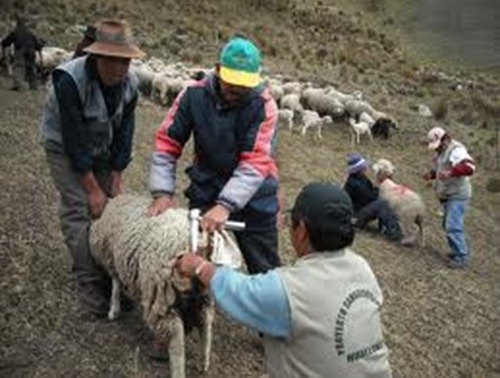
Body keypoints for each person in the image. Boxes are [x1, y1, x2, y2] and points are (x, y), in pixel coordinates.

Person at [176, 182, 392, 377]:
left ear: (301, 231)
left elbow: (238, 290)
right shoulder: (362, 268)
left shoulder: (288, 289)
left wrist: (198, 266)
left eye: (291, 222)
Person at [148, 36, 281, 274]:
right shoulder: (192, 96)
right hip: (208, 186)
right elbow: (167, 143)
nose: (238, 89)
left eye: (244, 84)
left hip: (256, 196)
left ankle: (267, 309)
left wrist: (226, 205)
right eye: (232, 81)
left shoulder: (263, 105)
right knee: (197, 259)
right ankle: (201, 307)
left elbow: (255, 162)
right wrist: (162, 192)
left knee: (264, 265)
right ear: (218, 70)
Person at [40, 19, 144, 316]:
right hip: (64, 145)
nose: (118, 69)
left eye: (124, 61)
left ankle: (106, 276)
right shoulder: (69, 80)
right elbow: (73, 137)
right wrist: (91, 187)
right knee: (80, 208)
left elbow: (125, 132)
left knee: (108, 209)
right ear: (96, 55)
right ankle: (87, 284)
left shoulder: (130, 84)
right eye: (111, 61)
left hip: (102, 145)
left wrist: (115, 176)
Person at [423, 127, 475, 269]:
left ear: (445, 139)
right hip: (448, 194)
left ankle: (461, 257)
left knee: (453, 225)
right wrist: (431, 175)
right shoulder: (441, 152)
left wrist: (452, 172)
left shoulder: (457, 150)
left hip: (458, 195)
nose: (436, 149)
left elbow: (469, 167)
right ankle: (456, 250)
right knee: (447, 224)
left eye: (438, 145)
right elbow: (441, 169)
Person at [344, 153, 402, 242]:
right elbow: (372, 197)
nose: (366, 167)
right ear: (359, 169)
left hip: (358, 212)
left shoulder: (360, 178)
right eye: (363, 166)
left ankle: (386, 227)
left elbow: (372, 192)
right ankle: (395, 233)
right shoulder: (355, 184)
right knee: (382, 203)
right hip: (354, 218)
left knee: (383, 202)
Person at [1, 16, 43, 90]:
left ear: (17, 24)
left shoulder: (15, 32)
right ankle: (34, 85)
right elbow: (38, 45)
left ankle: (18, 85)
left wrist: (3, 46)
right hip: (31, 51)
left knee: (19, 67)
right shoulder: (30, 33)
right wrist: (39, 51)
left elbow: (6, 42)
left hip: (20, 50)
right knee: (31, 67)